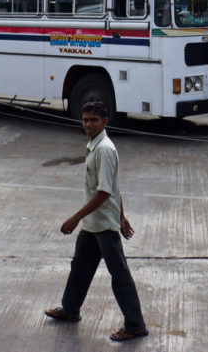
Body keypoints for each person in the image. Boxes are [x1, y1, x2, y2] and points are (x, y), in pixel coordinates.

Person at [44, 101, 148, 342]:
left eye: (93, 120)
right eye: (85, 120)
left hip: (103, 225)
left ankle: (135, 324)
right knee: (80, 267)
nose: (88, 124)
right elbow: (113, 185)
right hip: (94, 223)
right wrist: (121, 215)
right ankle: (70, 310)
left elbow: (104, 192)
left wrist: (75, 217)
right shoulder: (94, 144)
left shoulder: (104, 149)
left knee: (119, 275)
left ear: (105, 121)